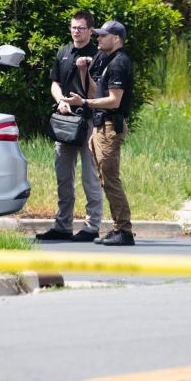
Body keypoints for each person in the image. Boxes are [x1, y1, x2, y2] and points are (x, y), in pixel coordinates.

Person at [62, 20, 135, 246]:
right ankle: (118, 228)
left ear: (116, 39)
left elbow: (114, 101)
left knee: (111, 180)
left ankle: (124, 230)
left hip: (111, 127)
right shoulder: (106, 60)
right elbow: (98, 92)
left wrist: (83, 101)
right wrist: (85, 73)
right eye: (99, 35)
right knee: (105, 179)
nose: (99, 39)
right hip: (101, 126)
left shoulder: (119, 63)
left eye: (103, 36)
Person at [36, 10, 104, 242]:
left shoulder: (98, 55)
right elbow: (55, 83)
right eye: (73, 27)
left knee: (90, 176)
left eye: (81, 28)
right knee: (63, 176)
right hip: (65, 120)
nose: (76, 31)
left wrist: (85, 71)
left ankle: (92, 225)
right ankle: (62, 225)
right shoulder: (64, 52)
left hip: (89, 121)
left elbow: (98, 94)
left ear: (90, 31)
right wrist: (61, 101)